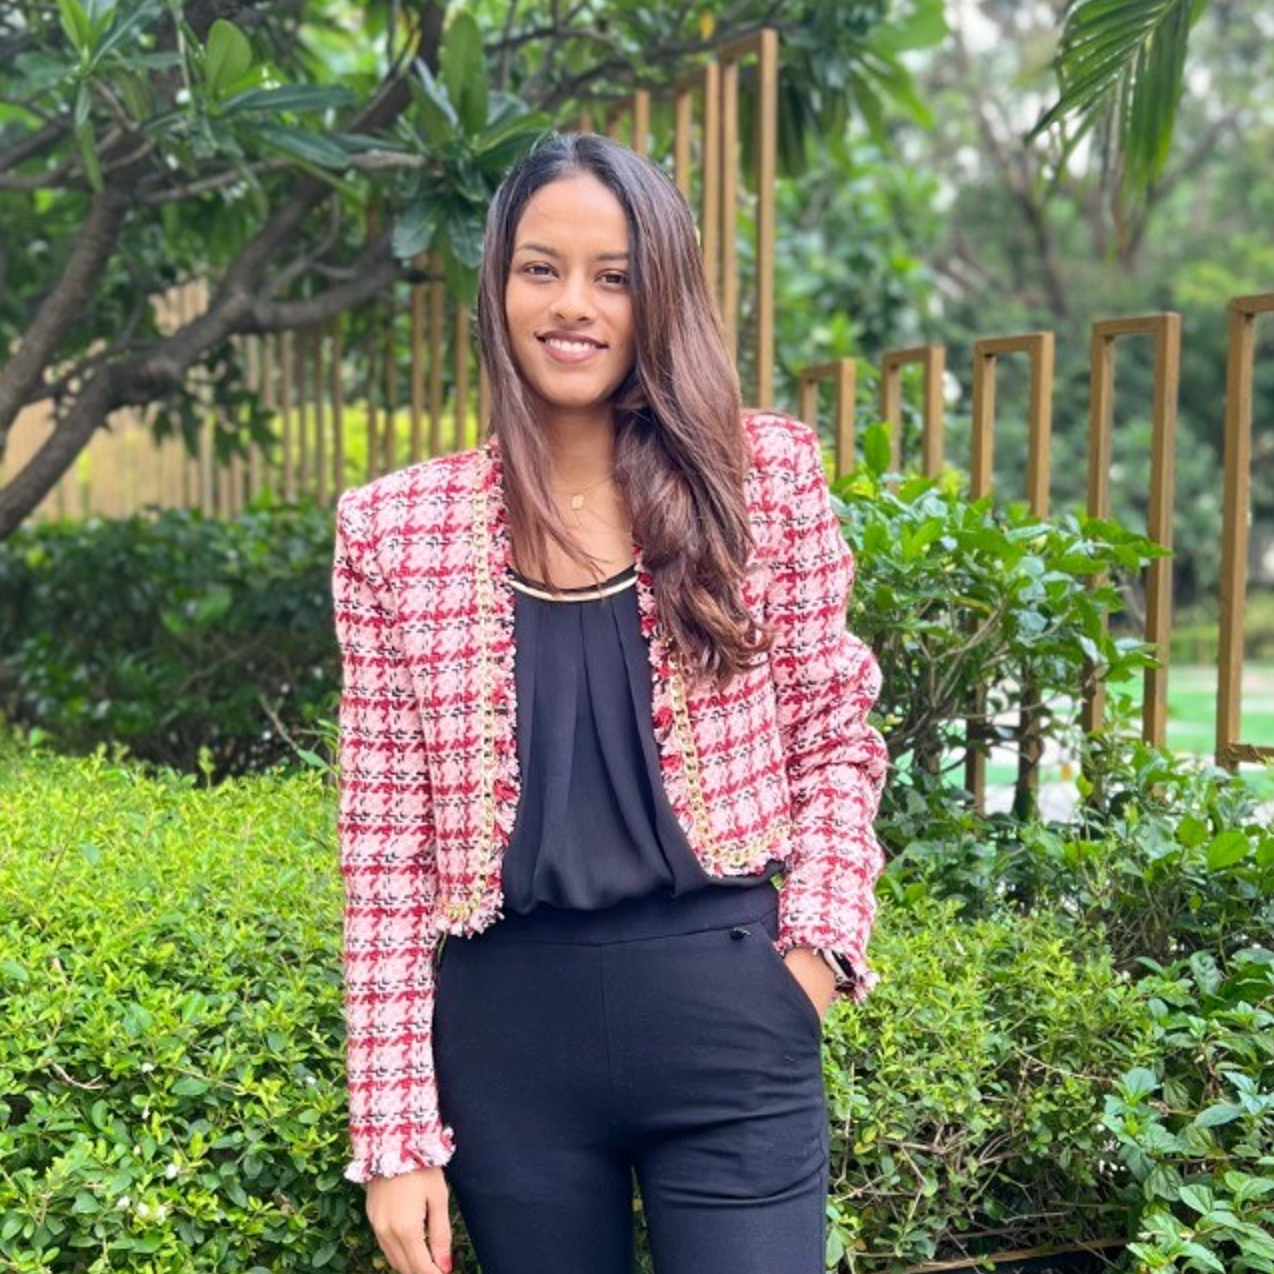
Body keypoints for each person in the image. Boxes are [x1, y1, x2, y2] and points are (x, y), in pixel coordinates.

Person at [331, 132, 888, 1274]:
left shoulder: (759, 482)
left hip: (729, 1020)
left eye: (614, 275)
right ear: (497, 288)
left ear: (659, 294)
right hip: (506, 1051)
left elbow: (836, 735)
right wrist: (391, 1135)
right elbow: (383, 848)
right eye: (540, 269)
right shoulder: (393, 532)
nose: (572, 305)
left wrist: (817, 961)